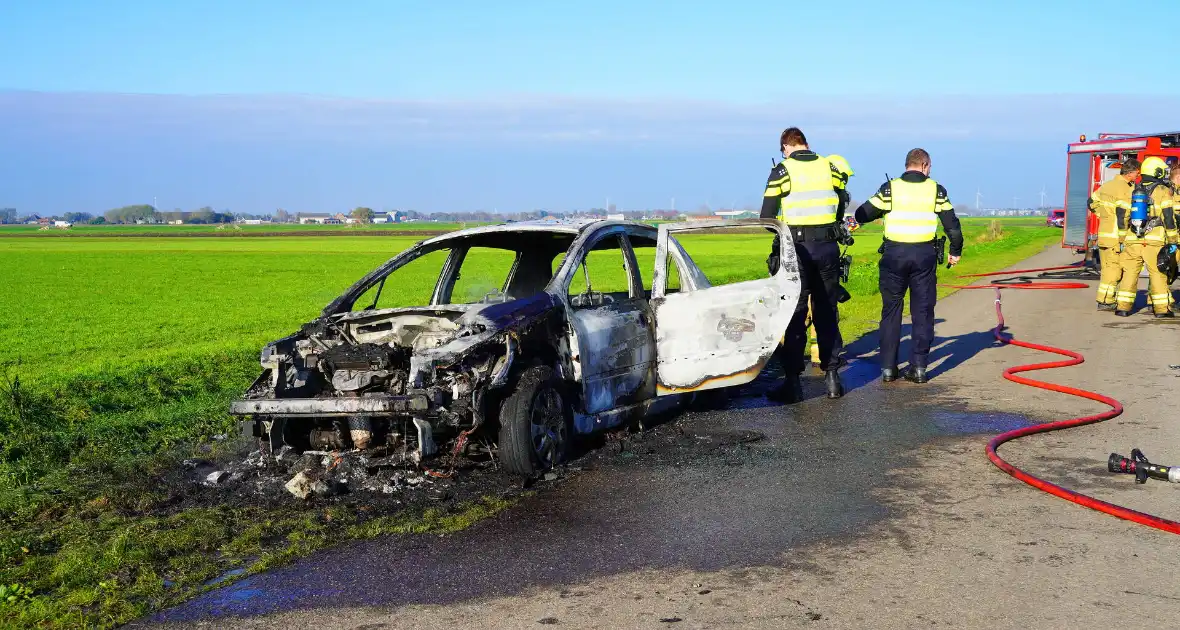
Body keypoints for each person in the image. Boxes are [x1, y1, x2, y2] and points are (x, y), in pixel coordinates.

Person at [854, 148, 963, 384]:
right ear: (924, 165)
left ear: (907, 165)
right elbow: (952, 224)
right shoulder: (936, 189)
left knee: (891, 311)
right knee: (922, 312)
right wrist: (955, 251)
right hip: (924, 256)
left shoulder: (890, 188)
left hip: (894, 255)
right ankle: (919, 367)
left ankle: (888, 369)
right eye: (930, 167)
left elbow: (862, 214)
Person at [761, 127, 848, 402]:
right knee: (826, 311)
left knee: (796, 314)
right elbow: (840, 201)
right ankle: (832, 378)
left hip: (797, 249)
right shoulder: (829, 167)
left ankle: (793, 383)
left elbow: (766, 218)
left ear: (785, 147)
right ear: (806, 144)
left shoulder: (783, 171)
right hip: (828, 247)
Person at [1113, 156, 1178, 317]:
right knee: (1157, 273)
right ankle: (1162, 310)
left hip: (1132, 240)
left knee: (1130, 273)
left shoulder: (1131, 190)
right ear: (1157, 171)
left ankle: (1123, 308)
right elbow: (1168, 217)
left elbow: (1121, 216)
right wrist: (1172, 241)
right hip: (1154, 242)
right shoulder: (1163, 191)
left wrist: (1122, 239)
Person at [1089, 159, 1138, 310]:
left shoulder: (1107, 185)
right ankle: (1105, 301)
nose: (1138, 175)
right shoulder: (1125, 189)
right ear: (1130, 173)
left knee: (1107, 268)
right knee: (1114, 270)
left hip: (1104, 235)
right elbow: (1123, 215)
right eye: (1137, 172)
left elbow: (1090, 202)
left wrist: (1103, 215)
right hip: (1115, 237)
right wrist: (1123, 238)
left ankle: (1107, 298)